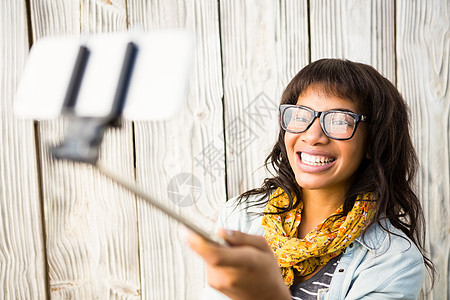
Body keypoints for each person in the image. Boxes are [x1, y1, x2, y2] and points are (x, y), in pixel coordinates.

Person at [187, 59, 435, 299]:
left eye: (339, 121)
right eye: (300, 115)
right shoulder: (240, 216)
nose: (313, 135)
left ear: (372, 142)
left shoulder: (395, 261)